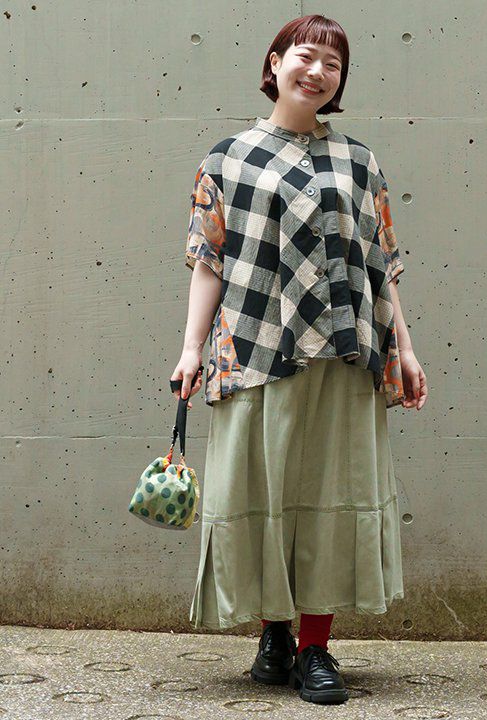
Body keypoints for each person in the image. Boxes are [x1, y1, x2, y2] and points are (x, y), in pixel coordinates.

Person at [170, 14, 428, 705]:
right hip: (255, 349)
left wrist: (404, 350)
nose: (317, 72)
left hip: (345, 353)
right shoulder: (227, 159)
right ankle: (274, 635)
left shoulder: (360, 162)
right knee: (263, 493)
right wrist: (191, 350)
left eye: (332, 65)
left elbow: (381, 266)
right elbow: (209, 261)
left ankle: (315, 646)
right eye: (306, 56)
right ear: (275, 61)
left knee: (331, 498)